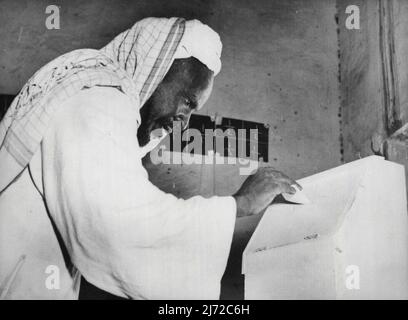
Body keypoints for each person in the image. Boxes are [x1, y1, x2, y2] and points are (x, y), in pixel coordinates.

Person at [0, 17, 300, 299]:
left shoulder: (87, 89)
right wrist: (241, 204)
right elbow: (118, 226)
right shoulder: (98, 96)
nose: (183, 121)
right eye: (187, 101)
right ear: (158, 67)